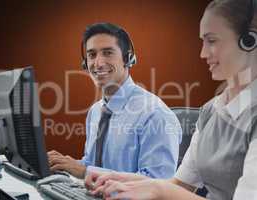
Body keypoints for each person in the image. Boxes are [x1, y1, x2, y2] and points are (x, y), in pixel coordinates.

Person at [85, 0, 257, 199]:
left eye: (212, 41)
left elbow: (166, 189)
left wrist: (158, 190)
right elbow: (180, 185)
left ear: (249, 41)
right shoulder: (212, 109)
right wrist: (116, 178)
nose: (202, 53)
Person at [47, 22, 182, 179]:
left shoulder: (154, 114)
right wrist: (65, 166)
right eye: (91, 55)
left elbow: (157, 184)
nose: (98, 63)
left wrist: (86, 172)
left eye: (107, 53)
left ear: (128, 58)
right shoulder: (96, 111)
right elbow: (93, 165)